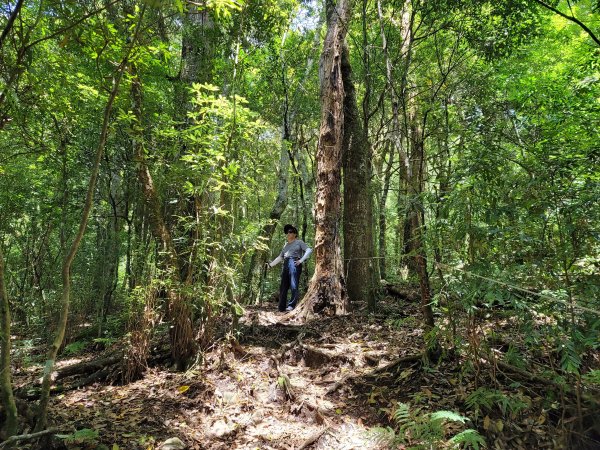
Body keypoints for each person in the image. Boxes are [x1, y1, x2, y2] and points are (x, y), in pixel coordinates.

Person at [268, 224, 312, 312]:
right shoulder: (285, 245)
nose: (288, 233)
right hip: (286, 263)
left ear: (295, 234)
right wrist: (270, 265)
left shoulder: (299, 242)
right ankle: (281, 307)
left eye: (290, 231)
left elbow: (309, 250)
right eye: (287, 232)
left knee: (293, 285)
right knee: (283, 286)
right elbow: (280, 257)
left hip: (294, 262)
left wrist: (301, 260)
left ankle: (291, 306)